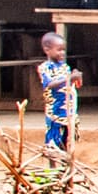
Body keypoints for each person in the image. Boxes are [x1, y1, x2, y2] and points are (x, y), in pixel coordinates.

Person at [35, 28, 79, 156]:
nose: (62, 53)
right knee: (53, 141)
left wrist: (75, 76)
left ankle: (66, 167)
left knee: (68, 140)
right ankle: (53, 169)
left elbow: (69, 84)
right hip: (55, 111)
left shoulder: (65, 67)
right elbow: (50, 85)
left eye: (64, 50)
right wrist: (70, 78)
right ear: (47, 50)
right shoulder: (45, 68)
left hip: (68, 110)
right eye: (59, 49)